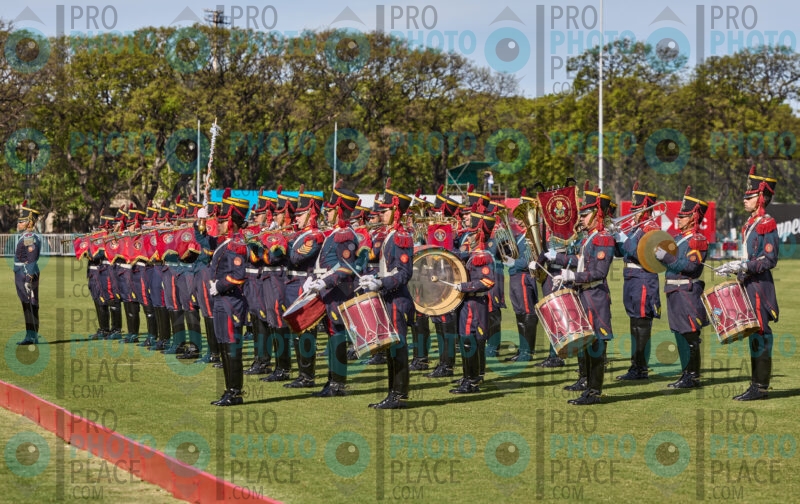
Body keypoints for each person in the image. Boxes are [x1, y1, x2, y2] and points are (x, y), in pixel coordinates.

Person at [717, 167, 779, 400]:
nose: (744, 199)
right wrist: (734, 266)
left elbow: (769, 259)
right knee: (753, 333)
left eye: (749, 196)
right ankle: (755, 385)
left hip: (759, 286)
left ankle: (760, 387)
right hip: (748, 283)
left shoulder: (767, 223)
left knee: (760, 332)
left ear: (761, 198)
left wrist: (743, 266)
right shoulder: (751, 223)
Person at [551, 182, 615, 405]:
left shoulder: (603, 238)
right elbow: (580, 262)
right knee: (588, 343)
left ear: (596, 214)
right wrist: (559, 263)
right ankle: (588, 387)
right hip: (585, 295)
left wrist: (572, 277)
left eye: (586, 214)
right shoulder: (589, 238)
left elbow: (598, 272)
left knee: (597, 344)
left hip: (595, 297)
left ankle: (594, 391)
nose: (581, 218)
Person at [360, 183, 415, 408]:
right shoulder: (391, 235)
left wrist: (381, 282)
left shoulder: (401, 236)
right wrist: (372, 277)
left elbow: (404, 273)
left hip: (397, 299)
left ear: (396, 211)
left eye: (385, 210)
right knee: (391, 347)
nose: (381, 214)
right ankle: (392, 393)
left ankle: (398, 395)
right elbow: (387, 268)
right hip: (388, 297)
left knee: (398, 347)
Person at [305, 184, 360, 398]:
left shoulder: (345, 235)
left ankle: (338, 384)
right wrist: (314, 279)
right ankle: (332, 380)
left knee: (337, 335)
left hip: (338, 291)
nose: (326, 213)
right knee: (332, 334)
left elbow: (346, 268)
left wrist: (324, 282)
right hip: (330, 290)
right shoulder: (337, 233)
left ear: (338, 210)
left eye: (329, 210)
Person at [655, 186, 709, 389]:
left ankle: (692, 376)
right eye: (679, 215)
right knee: (679, 333)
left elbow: (691, 267)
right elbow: (670, 263)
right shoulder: (678, 238)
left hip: (686, 291)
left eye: (683, 216)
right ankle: (686, 373)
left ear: (693, 218)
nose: (678, 218)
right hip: (673, 290)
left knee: (690, 335)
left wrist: (666, 257)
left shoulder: (697, 240)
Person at [614, 182, 662, 380]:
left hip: (643, 278)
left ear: (646, 210)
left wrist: (622, 237)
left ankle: (640, 368)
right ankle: (635, 366)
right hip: (632, 278)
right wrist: (615, 237)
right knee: (634, 323)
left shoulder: (651, 228)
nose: (632, 214)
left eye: (637, 210)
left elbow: (640, 252)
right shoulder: (636, 228)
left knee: (641, 324)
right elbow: (621, 252)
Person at [209, 190, 251, 406]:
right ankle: (229, 390)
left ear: (231, 222)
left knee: (232, 346)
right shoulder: (226, 242)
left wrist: (219, 285)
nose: (219, 224)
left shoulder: (236, 244)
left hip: (230, 301)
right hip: (222, 300)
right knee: (224, 345)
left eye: (222, 220)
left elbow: (238, 275)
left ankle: (235, 392)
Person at [15, 201, 42, 345]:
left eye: (21, 221)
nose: (18, 224)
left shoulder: (29, 237)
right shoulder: (25, 236)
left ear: (29, 223)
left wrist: (28, 277)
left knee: (30, 305)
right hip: (23, 271)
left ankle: (31, 336)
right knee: (27, 304)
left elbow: (31, 258)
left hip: (25, 273)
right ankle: (31, 335)